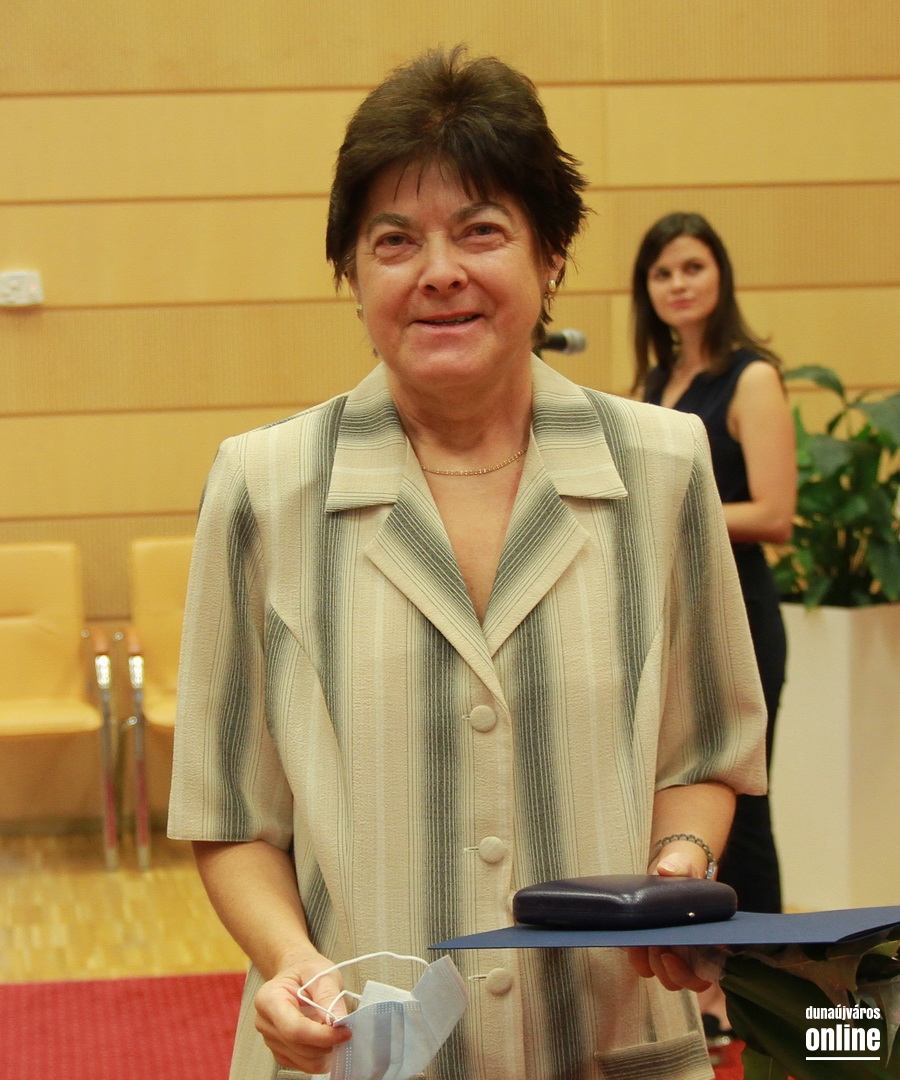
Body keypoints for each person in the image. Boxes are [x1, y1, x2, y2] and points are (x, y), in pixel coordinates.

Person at [169, 50, 768, 1080]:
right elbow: (229, 814)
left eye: (481, 230)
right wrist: (291, 962)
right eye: (394, 240)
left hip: (609, 1037)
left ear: (551, 256)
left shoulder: (664, 466)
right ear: (353, 276)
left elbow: (705, 751)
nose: (438, 270)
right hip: (365, 1052)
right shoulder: (263, 488)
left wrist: (679, 871)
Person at [630, 211, 797, 1033]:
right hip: (668, 617)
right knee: (676, 801)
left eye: (692, 267)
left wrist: (674, 514)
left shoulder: (752, 378)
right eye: (662, 272)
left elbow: (774, 513)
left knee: (743, 803)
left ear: (720, 276)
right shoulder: (652, 386)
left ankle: (764, 994)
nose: (678, 284)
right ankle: (699, 987)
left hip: (742, 610)